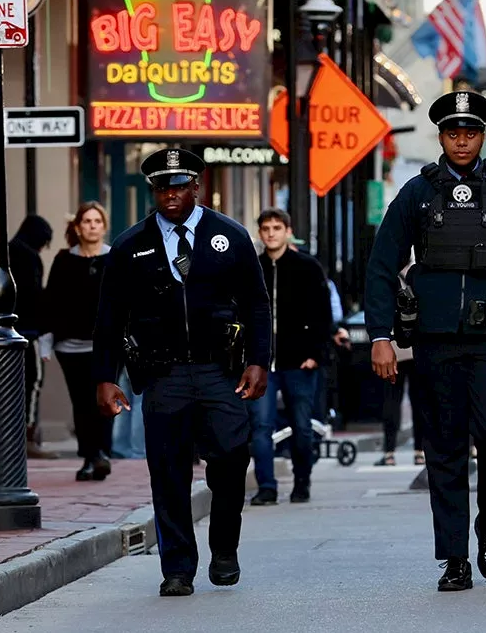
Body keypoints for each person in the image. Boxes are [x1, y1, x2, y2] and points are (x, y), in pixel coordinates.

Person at [365, 90, 486, 592]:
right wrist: (381, 335)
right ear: (441, 136)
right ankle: (454, 558)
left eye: (470, 132)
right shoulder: (417, 192)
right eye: (453, 132)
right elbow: (383, 264)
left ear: (482, 135)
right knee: (445, 448)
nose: (462, 140)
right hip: (435, 340)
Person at [93, 147, 270, 597]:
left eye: (177, 186)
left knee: (231, 459)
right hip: (163, 373)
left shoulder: (229, 235)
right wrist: (105, 375)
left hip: (219, 371)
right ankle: (177, 568)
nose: (169, 195)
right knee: (168, 471)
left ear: (196, 187)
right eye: (160, 188)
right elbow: (109, 316)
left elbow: (256, 304)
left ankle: (224, 548)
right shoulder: (131, 245)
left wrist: (258, 361)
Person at [249, 208, 331, 506]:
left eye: (276, 227)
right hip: (261, 364)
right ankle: (267, 486)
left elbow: (323, 314)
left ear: (287, 231)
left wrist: (315, 354)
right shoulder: (251, 268)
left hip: (299, 361)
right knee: (260, 426)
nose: (271, 233)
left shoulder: (307, 267)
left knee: (301, 425)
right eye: (266, 228)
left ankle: (301, 481)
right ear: (260, 233)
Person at [45, 202, 113, 481]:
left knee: (106, 400)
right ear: (77, 227)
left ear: (104, 227)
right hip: (70, 346)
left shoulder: (115, 258)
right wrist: (46, 340)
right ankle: (90, 456)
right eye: (87, 221)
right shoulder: (64, 260)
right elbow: (50, 301)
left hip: (106, 345)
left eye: (97, 221)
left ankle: (102, 453)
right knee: (82, 402)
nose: (92, 226)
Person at [9, 214, 57, 459]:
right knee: (32, 384)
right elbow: (35, 296)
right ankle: (28, 436)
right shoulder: (30, 258)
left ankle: (10, 437)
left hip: (6, 331)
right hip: (28, 332)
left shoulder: (7, 252)